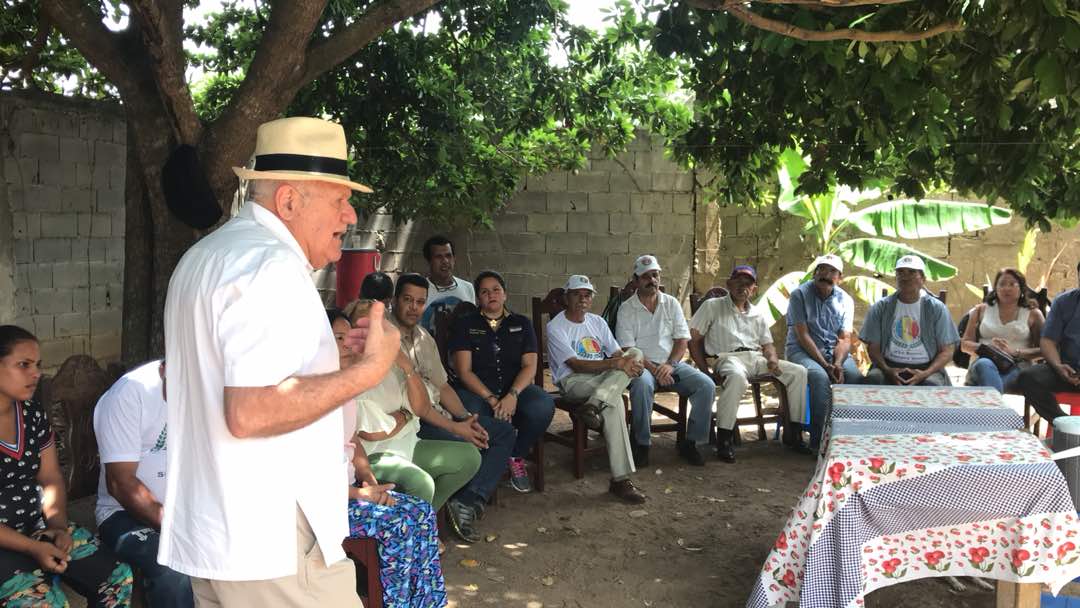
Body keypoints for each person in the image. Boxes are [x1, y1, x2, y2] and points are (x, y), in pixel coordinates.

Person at [162, 117, 400, 606]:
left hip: (222, 530)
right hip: (272, 539)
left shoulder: (207, 256)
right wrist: (367, 372)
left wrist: (332, 366)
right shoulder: (270, 267)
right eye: (339, 198)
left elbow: (195, 387)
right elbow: (250, 412)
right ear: (290, 200)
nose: (351, 215)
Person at [0, 325, 134, 607]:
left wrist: (59, 527)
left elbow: (50, 477)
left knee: (117, 576)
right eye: (23, 365)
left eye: (37, 365)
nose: (35, 373)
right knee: (45, 602)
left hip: (35, 525)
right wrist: (34, 548)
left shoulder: (31, 414)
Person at [328, 309, 448, 608]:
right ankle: (395, 603)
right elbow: (302, 476)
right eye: (338, 337)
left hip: (350, 492)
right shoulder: (315, 393)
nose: (347, 345)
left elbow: (352, 442)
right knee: (400, 526)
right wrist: (359, 493)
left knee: (421, 513)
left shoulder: (343, 388)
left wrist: (370, 481)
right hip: (323, 504)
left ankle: (426, 602)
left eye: (350, 337)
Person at [389, 274, 515, 543]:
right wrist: (458, 429)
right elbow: (417, 406)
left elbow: (443, 387)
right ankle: (431, 517)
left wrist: (466, 418)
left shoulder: (423, 337)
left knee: (503, 433)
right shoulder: (384, 338)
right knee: (470, 447)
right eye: (408, 300)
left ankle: (466, 501)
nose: (414, 307)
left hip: (438, 414)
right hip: (412, 421)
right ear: (394, 301)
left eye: (420, 302)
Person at [349, 299, 482, 520]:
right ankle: (416, 538)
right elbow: (371, 432)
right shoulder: (352, 369)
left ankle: (425, 524)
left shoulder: (391, 363)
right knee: (422, 484)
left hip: (409, 444)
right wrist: (405, 414)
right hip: (375, 454)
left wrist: (406, 366)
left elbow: (421, 406)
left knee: (469, 457)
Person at [93, 359, 192, 608]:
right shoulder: (129, 394)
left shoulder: (208, 382)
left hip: (186, 508)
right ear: (166, 369)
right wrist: (174, 525)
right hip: (121, 514)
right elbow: (120, 482)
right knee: (173, 567)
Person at [689, 265, 810, 462]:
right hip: (726, 358)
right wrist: (704, 370)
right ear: (729, 283)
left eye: (748, 284)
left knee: (799, 372)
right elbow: (692, 339)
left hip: (756, 358)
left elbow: (767, 344)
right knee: (737, 378)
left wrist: (771, 358)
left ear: (754, 289)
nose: (742, 287)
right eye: (738, 282)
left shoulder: (757, 313)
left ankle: (794, 434)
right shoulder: (712, 306)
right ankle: (724, 440)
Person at [450, 271, 556, 492]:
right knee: (470, 411)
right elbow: (464, 371)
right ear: (478, 298)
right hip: (478, 392)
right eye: (484, 292)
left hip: (514, 389)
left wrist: (512, 396)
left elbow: (530, 366)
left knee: (543, 405)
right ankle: (484, 466)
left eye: (496, 289)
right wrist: (491, 398)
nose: (491, 295)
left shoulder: (521, 323)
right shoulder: (466, 324)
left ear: (505, 294)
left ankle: (515, 453)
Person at [547, 275, 647, 503]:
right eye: (576, 294)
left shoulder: (597, 322)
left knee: (636, 353)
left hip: (602, 378)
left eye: (587, 295)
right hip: (573, 381)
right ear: (566, 297)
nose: (583, 299)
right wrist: (618, 364)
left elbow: (617, 354)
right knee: (615, 402)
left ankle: (594, 404)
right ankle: (621, 480)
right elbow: (575, 364)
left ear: (591, 299)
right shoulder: (556, 326)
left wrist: (629, 362)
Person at [617, 255, 715, 467]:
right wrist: (654, 368)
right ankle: (642, 443)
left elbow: (682, 340)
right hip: (641, 365)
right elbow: (626, 348)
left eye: (655, 275)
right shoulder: (626, 308)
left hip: (671, 365)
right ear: (635, 280)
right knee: (642, 386)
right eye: (645, 276)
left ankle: (690, 443)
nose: (651, 280)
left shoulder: (671, 304)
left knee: (706, 385)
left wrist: (669, 365)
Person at [783, 254, 861, 451]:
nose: (825, 275)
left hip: (833, 354)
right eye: (822, 270)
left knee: (854, 376)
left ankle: (848, 438)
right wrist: (825, 366)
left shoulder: (845, 300)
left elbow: (844, 338)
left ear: (839, 277)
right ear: (815, 273)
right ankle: (820, 443)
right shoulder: (799, 295)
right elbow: (802, 335)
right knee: (819, 378)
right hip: (801, 351)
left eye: (832, 271)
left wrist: (837, 363)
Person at [860, 255, 959, 386]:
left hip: (927, 368)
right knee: (874, 380)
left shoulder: (936, 309)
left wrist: (925, 373)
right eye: (900, 272)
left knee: (932, 386)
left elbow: (947, 350)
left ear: (923, 279)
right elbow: (873, 348)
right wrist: (888, 370)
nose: (905, 277)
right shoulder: (881, 307)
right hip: (888, 366)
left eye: (912, 272)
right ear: (896, 278)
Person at [961, 268, 1044, 393]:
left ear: (1021, 288)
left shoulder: (1033, 314)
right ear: (996, 289)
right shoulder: (980, 310)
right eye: (1002, 284)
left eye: (1012, 284)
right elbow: (964, 345)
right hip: (983, 362)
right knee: (984, 365)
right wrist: (987, 348)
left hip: (1018, 366)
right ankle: (996, 407)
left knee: (989, 386)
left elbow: (1044, 350)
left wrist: (1015, 352)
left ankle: (992, 408)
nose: (1006, 288)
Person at [1018, 261, 1080, 422]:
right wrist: (1059, 367)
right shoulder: (1064, 302)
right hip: (1068, 370)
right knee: (1029, 377)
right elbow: (1047, 341)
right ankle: (1064, 424)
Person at [420, 235, 475, 335]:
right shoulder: (420, 290)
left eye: (448, 256)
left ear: (454, 259)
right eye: (438, 257)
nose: (445, 261)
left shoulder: (468, 288)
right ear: (429, 261)